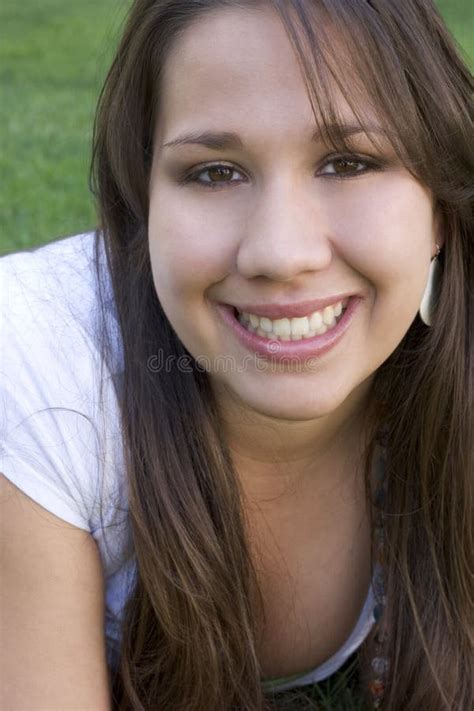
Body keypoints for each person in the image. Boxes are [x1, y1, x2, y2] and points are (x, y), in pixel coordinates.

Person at [0, 0, 472, 709]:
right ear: (143, 203)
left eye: (348, 162)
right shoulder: (39, 365)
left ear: (438, 202)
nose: (280, 252)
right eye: (215, 172)